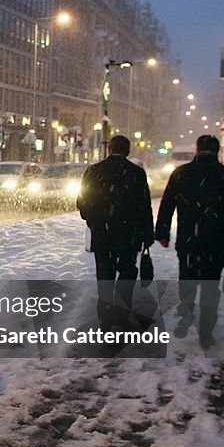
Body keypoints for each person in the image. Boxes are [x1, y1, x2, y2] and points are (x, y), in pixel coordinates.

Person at [155, 134, 224, 349]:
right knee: (210, 286)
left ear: (197, 150)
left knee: (187, 278)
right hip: (216, 241)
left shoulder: (181, 173)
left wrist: (162, 233)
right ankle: (206, 332)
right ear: (217, 151)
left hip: (188, 240)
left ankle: (186, 310)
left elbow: (167, 205)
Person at [77, 135, 155, 330]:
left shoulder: (94, 171)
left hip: (103, 233)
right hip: (129, 234)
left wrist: (94, 220)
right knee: (127, 273)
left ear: (108, 149)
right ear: (128, 152)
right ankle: (121, 314)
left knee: (105, 276)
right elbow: (144, 206)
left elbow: (82, 202)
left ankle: (105, 318)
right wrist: (146, 233)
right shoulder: (136, 173)